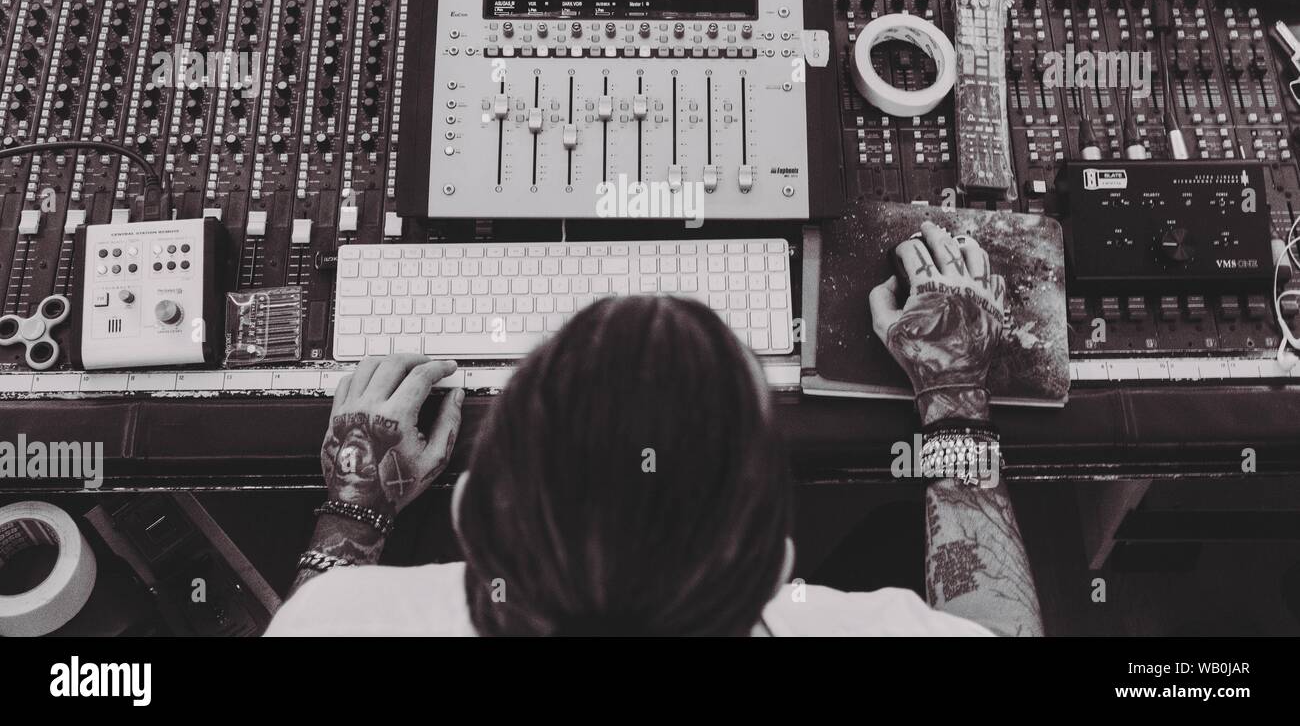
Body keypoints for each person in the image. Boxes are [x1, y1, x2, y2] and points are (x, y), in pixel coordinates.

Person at [267, 221, 1043, 636]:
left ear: (468, 511)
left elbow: (320, 615)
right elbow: (1000, 628)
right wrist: (952, 387)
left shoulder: (339, 621)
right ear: (776, 572)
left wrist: (357, 507)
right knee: (888, 535)